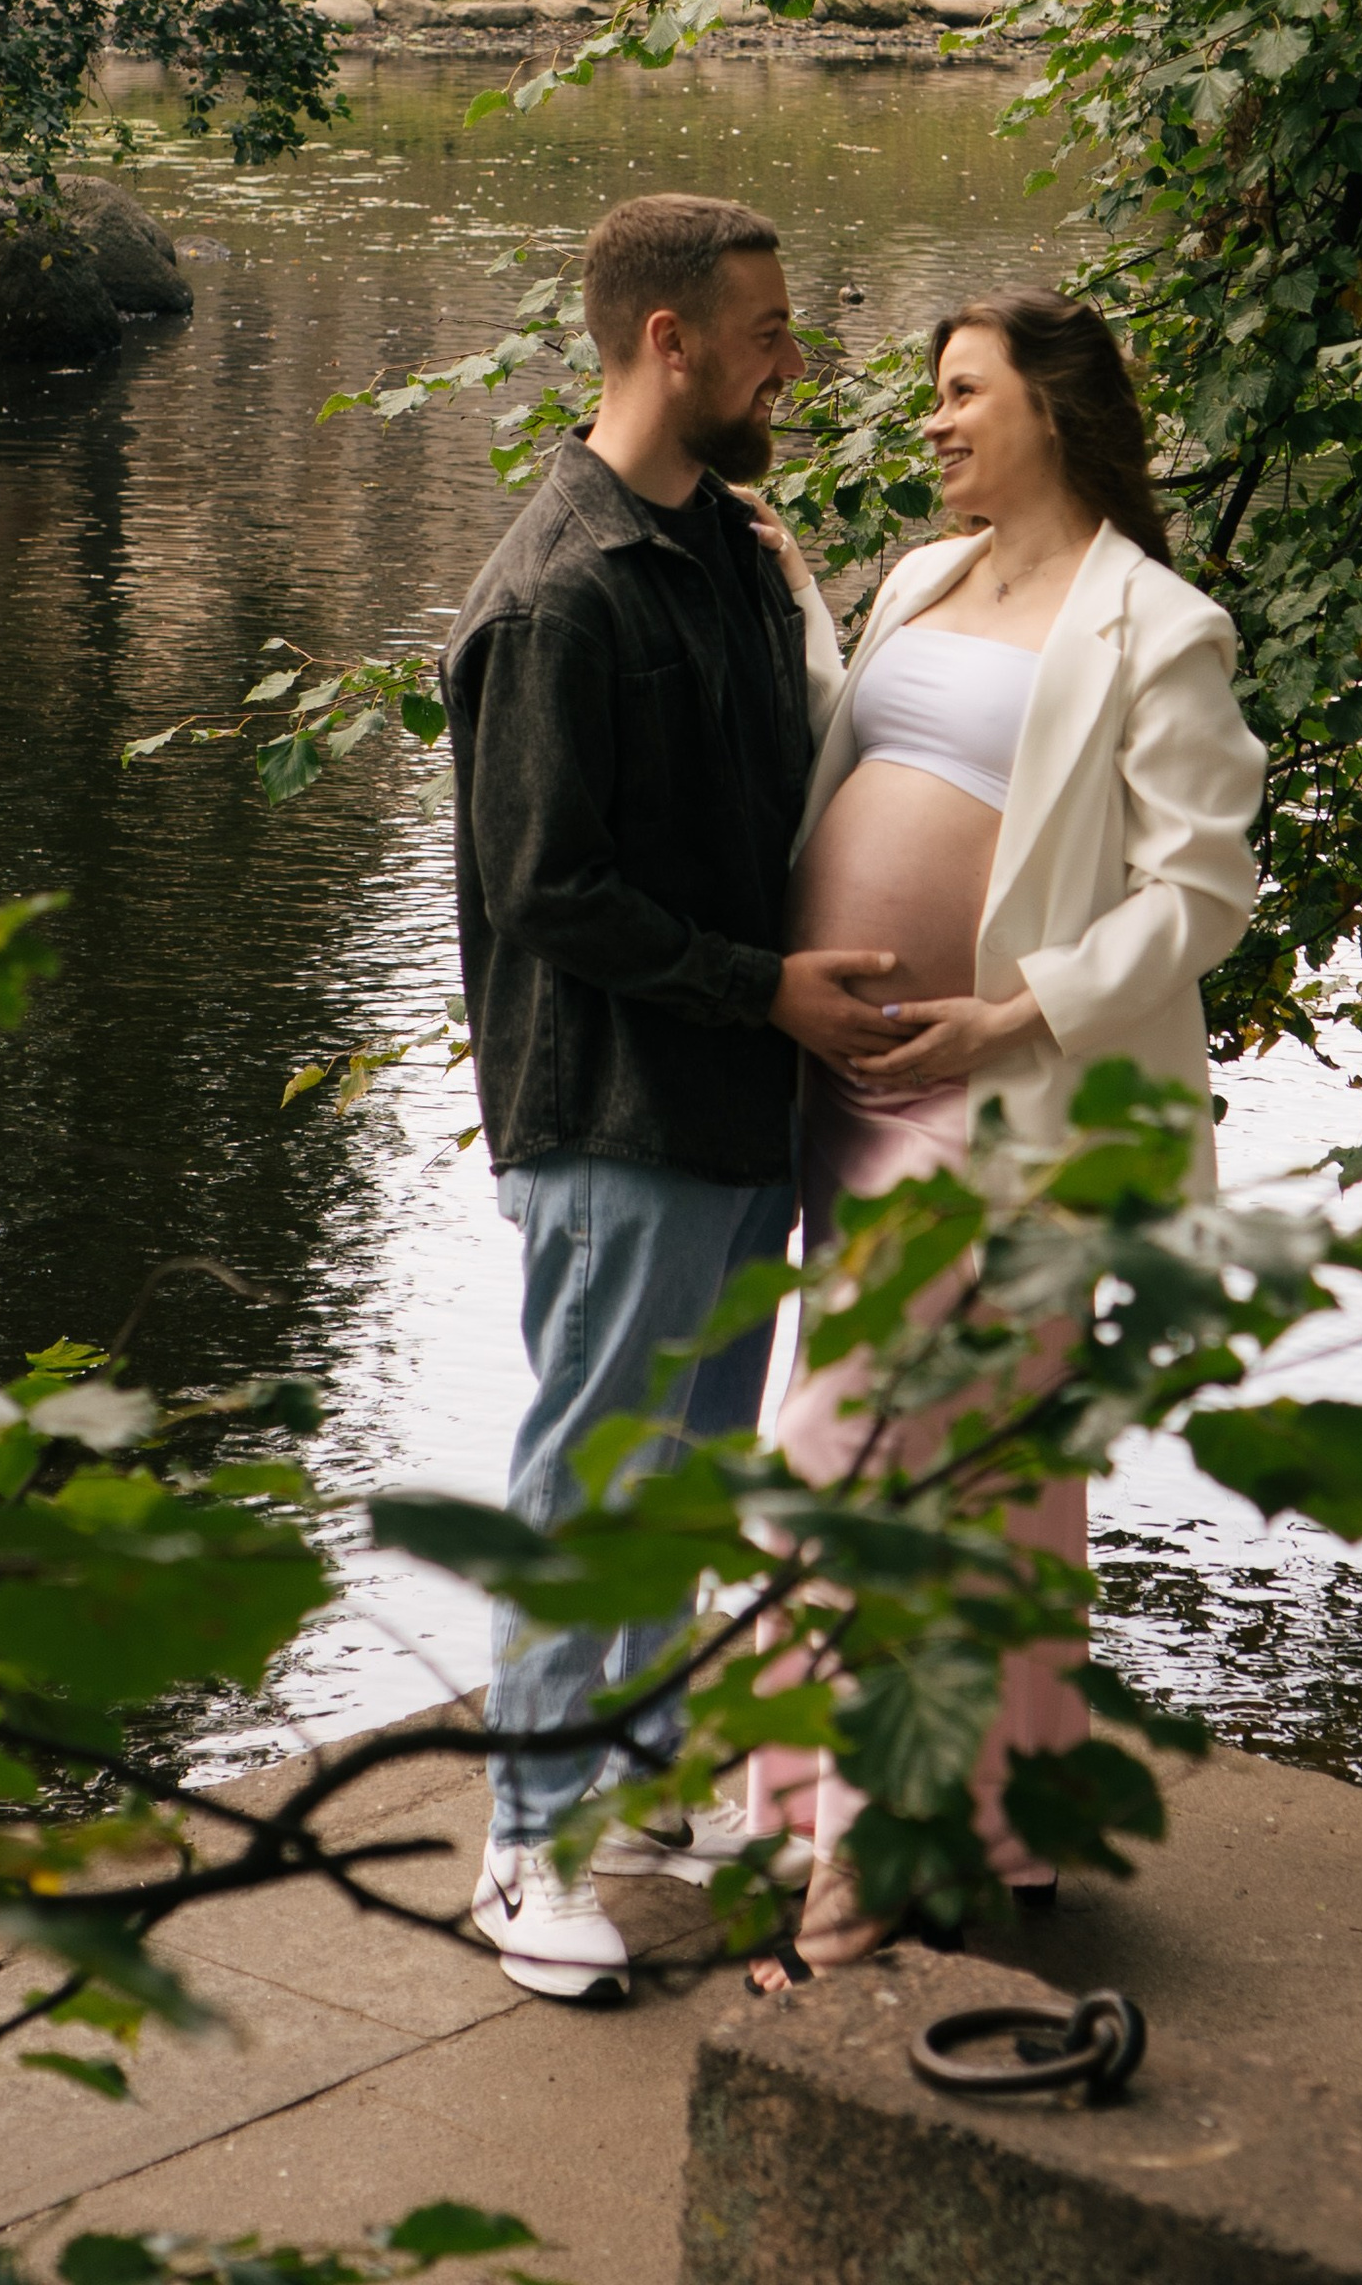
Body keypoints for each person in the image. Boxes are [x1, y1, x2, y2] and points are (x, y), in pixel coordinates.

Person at [744, 289, 1267, 1983]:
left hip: (1000, 1096)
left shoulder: (1160, 626)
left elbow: (1204, 891)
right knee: (1002, 1476)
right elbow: (869, 739)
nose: (937, 423)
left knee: (853, 1458)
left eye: (964, 395)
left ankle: (858, 1871)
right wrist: (786, 590)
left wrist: (1018, 1007)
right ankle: (1001, 1822)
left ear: (1052, 406)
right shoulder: (922, 577)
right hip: (850, 1090)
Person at [442, 192, 902, 2006]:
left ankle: (633, 1771)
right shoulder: (559, 590)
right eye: (771, 329)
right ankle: (521, 1846)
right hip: (617, 1107)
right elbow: (547, 886)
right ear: (667, 341)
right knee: (592, 1469)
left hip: (729, 1104)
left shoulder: (718, 536)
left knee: (691, 1464)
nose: (797, 356)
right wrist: (762, 987)